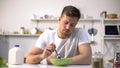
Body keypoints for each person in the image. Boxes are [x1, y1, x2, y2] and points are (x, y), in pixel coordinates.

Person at [26, 5, 92, 65]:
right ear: (59, 20)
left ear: (76, 24)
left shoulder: (80, 32)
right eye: (65, 22)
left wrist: (62, 61)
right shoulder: (47, 35)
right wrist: (42, 56)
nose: (68, 27)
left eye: (72, 25)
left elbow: (87, 58)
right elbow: (28, 59)